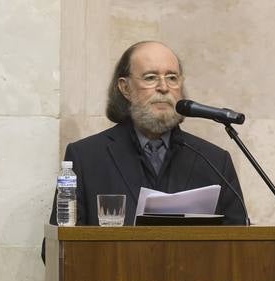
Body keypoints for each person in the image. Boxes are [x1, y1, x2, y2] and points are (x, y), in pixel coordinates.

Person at [48, 40, 249, 228]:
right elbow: (57, 249)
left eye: (172, 78)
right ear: (125, 88)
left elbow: (240, 246)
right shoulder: (87, 158)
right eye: (151, 77)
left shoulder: (213, 161)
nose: (163, 87)